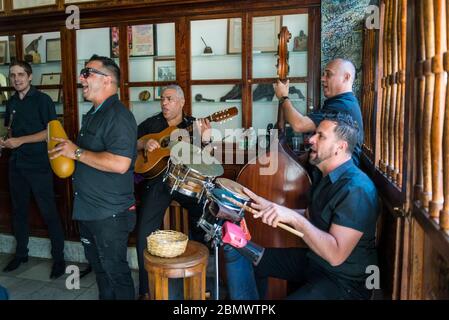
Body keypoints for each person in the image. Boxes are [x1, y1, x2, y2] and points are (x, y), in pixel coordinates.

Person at [224, 113, 379, 300]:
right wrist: (271, 207)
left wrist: (292, 217)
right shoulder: (325, 175)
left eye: (321, 136)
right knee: (253, 258)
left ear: (340, 147)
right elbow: (308, 214)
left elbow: (335, 255)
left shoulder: (356, 189)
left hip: (343, 281)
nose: (311, 139)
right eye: (315, 133)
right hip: (315, 260)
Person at [48, 55, 137, 300]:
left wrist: (75, 152)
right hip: (89, 210)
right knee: (100, 272)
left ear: (107, 80)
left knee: (115, 273)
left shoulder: (118, 116)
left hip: (109, 214)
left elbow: (121, 164)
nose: (81, 78)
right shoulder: (93, 113)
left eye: (87, 73)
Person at [135, 85, 212, 300]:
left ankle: (198, 278)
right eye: (162, 99)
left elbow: (205, 161)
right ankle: (146, 290)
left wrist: (205, 139)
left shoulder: (193, 125)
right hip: (158, 181)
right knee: (144, 230)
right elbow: (130, 143)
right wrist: (144, 142)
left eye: (169, 99)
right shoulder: (152, 124)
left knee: (205, 211)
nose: (164, 103)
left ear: (181, 102)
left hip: (185, 181)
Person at [0, 60, 65, 279]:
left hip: (38, 166)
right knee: (19, 212)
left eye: (20, 74)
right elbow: (11, 132)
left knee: (49, 213)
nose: (16, 79)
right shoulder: (11, 103)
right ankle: (21, 254)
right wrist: (6, 141)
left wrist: (20, 141)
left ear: (30, 77)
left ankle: (59, 259)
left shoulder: (43, 100)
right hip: (16, 165)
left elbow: (50, 132)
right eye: (12, 75)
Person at [274, 58, 364, 166]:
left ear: (346, 77)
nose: (322, 78)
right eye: (323, 74)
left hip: (338, 177)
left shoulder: (343, 105)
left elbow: (299, 125)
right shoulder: (340, 101)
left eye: (328, 74)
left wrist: (283, 97)